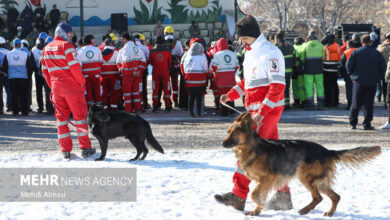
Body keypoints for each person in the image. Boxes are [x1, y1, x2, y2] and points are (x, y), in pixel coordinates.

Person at [215, 15, 290, 211]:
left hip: (267, 112)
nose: (241, 41)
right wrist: (230, 95)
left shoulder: (271, 53)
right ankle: (283, 195)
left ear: (252, 34)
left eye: (243, 38)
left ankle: (238, 195)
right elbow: (246, 83)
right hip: (256, 112)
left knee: (247, 151)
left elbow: (277, 87)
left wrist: (262, 112)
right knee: (273, 153)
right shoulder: (250, 53)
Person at [41, 23, 95, 159]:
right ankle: (85, 148)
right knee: (80, 117)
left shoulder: (46, 48)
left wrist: (53, 86)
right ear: (63, 33)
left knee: (61, 119)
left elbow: (45, 71)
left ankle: (65, 150)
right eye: (70, 33)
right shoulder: (67, 46)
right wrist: (82, 82)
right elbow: (75, 68)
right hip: (72, 88)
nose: (72, 35)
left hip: (57, 89)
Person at [347, 34, 386, 130]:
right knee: (369, 103)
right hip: (372, 82)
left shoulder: (356, 52)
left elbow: (349, 66)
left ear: (361, 42)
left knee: (356, 102)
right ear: (371, 42)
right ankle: (367, 123)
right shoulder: (377, 54)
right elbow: (383, 68)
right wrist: (380, 78)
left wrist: (352, 75)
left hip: (358, 81)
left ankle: (353, 123)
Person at [2, 38, 34, 116]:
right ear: (20, 45)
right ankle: (24, 111)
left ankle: (15, 111)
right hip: (23, 77)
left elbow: (5, 67)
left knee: (14, 94)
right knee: (24, 95)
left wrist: (9, 74)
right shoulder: (25, 54)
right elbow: (29, 67)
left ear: (13, 45)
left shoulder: (8, 54)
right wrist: (28, 76)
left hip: (12, 78)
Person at [116, 33, 146, 113]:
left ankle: (128, 111)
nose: (121, 41)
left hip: (127, 75)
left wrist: (121, 69)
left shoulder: (123, 50)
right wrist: (138, 70)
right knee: (136, 92)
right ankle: (137, 109)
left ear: (125, 39)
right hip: (136, 75)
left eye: (122, 39)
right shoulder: (138, 48)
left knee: (127, 94)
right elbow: (143, 61)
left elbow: (119, 62)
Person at [210, 38, 239, 116]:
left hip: (221, 79)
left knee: (222, 95)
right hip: (231, 78)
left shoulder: (217, 54)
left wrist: (215, 72)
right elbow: (237, 66)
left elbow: (214, 67)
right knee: (231, 94)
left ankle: (224, 112)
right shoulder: (232, 53)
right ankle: (232, 111)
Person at [180, 42, 208, 117]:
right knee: (199, 97)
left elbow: (184, 68)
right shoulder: (202, 56)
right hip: (200, 80)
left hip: (189, 80)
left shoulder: (187, 56)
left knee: (191, 97)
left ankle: (191, 112)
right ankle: (199, 112)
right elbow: (205, 68)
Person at [300, 30, 325, 110]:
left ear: (309, 36)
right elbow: (323, 57)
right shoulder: (321, 45)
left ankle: (310, 105)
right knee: (320, 86)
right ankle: (320, 105)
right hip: (319, 69)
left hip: (308, 69)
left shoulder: (305, 46)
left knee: (309, 87)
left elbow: (302, 57)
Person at [77, 34, 103, 107]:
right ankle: (99, 110)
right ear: (91, 40)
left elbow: (79, 65)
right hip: (96, 75)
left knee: (88, 94)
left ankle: (90, 111)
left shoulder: (80, 51)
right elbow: (101, 62)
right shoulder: (97, 49)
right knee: (97, 93)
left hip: (85, 76)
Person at [149, 36, 172, 112]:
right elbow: (169, 62)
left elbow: (151, 62)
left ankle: (155, 106)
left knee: (155, 90)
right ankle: (168, 106)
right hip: (165, 72)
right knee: (167, 89)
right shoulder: (167, 51)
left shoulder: (152, 51)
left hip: (155, 72)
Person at [32, 37, 53, 114]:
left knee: (48, 92)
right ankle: (54, 108)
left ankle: (49, 108)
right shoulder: (56, 50)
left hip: (46, 75)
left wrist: (40, 71)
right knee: (53, 92)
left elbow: (41, 61)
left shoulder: (45, 50)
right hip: (55, 75)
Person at [164, 26, 183, 107]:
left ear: (165, 33)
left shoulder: (162, 42)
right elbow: (181, 54)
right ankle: (175, 101)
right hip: (175, 66)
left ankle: (168, 103)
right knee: (175, 84)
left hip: (165, 66)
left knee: (166, 84)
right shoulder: (177, 42)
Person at [275, 31, 294, 109]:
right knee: (287, 88)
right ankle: (287, 103)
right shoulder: (290, 46)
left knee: (279, 89)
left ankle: (281, 104)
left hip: (279, 72)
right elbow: (294, 58)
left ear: (277, 38)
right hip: (288, 71)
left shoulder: (275, 47)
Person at [100, 38, 121, 111]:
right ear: (111, 44)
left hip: (103, 76)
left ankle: (105, 108)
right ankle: (113, 108)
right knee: (115, 92)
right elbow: (119, 63)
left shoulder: (99, 53)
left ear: (104, 44)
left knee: (105, 92)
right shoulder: (116, 53)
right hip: (115, 76)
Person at [323, 34, 342, 107]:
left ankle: (328, 101)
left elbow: (323, 57)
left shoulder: (325, 48)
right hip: (335, 69)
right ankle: (336, 101)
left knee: (327, 86)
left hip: (326, 69)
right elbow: (339, 56)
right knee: (335, 85)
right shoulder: (337, 46)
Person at [339, 40, 358, 110]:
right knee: (356, 90)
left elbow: (342, 65)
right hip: (357, 73)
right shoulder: (358, 51)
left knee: (349, 90)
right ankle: (357, 104)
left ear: (348, 45)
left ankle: (350, 105)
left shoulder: (346, 52)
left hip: (348, 74)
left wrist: (342, 74)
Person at [135, 34, 150, 110]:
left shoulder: (131, 47)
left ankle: (135, 104)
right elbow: (148, 59)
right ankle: (144, 103)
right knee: (143, 87)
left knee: (134, 87)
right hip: (143, 69)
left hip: (133, 70)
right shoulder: (144, 47)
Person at [376, 33, 390, 108]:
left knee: (384, 86)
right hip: (387, 69)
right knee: (386, 86)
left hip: (382, 69)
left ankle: (385, 101)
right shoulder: (387, 48)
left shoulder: (380, 47)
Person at [292, 37, 305, 108]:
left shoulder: (293, 47)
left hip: (293, 70)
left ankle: (296, 100)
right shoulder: (304, 47)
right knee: (301, 86)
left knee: (294, 86)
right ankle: (303, 100)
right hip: (301, 70)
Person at [0, 37, 9, 114]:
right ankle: (9, 106)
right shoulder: (8, 52)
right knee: (8, 91)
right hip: (6, 75)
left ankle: (0, 108)